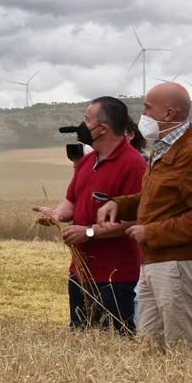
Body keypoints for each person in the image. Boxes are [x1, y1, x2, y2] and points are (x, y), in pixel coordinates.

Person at [96, 82, 192, 348]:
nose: (142, 114)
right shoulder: (164, 148)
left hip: (179, 264)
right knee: (149, 347)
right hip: (156, 260)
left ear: (169, 114)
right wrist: (119, 204)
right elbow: (155, 199)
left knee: (181, 348)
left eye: (147, 107)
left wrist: (150, 232)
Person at [34, 96, 146, 334]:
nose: (82, 126)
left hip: (116, 275)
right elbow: (72, 201)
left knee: (115, 343)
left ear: (102, 128)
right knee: (81, 340)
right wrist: (55, 215)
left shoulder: (134, 165)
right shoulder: (86, 161)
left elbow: (135, 219)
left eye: (86, 120)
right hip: (80, 271)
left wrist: (88, 232)